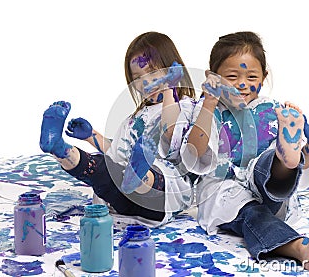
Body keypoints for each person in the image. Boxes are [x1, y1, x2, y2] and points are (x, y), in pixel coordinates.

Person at [180, 31, 309, 270]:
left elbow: (303, 176)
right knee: (253, 214)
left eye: (251, 77)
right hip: (228, 192)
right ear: (213, 78)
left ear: (264, 76)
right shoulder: (209, 112)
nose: (242, 84)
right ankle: (303, 247)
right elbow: (194, 155)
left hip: (271, 188)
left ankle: (286, 156)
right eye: (231, 76)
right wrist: (209, 102)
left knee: (267, 163)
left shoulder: (272, 111)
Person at [39, 31, 197, 226]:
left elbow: (171, 135)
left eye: (153, 72)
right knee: (102, 168)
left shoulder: (187, 107)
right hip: (124, 198)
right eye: (137, 77)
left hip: (162, 197)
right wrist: (91, 136)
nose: (146, 82)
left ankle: (139, 175)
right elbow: (118, 153)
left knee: (149, 173)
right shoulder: (134, 120)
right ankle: (59, 147)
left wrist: (168, 89)